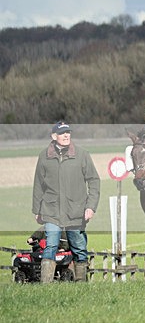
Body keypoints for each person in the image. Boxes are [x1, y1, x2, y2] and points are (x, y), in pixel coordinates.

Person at [31, 121, 100, 283]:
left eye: (68, 132)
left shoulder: (82, 154)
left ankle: (81, 284)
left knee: (79, 249)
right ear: (54, 136)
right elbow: (38, 185)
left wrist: (90, 207)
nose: (66, 135)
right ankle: (46, 286)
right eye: (62, 133)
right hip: (51, 210)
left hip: (76, 211)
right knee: (50, 247)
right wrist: (37, 210)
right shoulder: (44, 156)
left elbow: (94, 181)